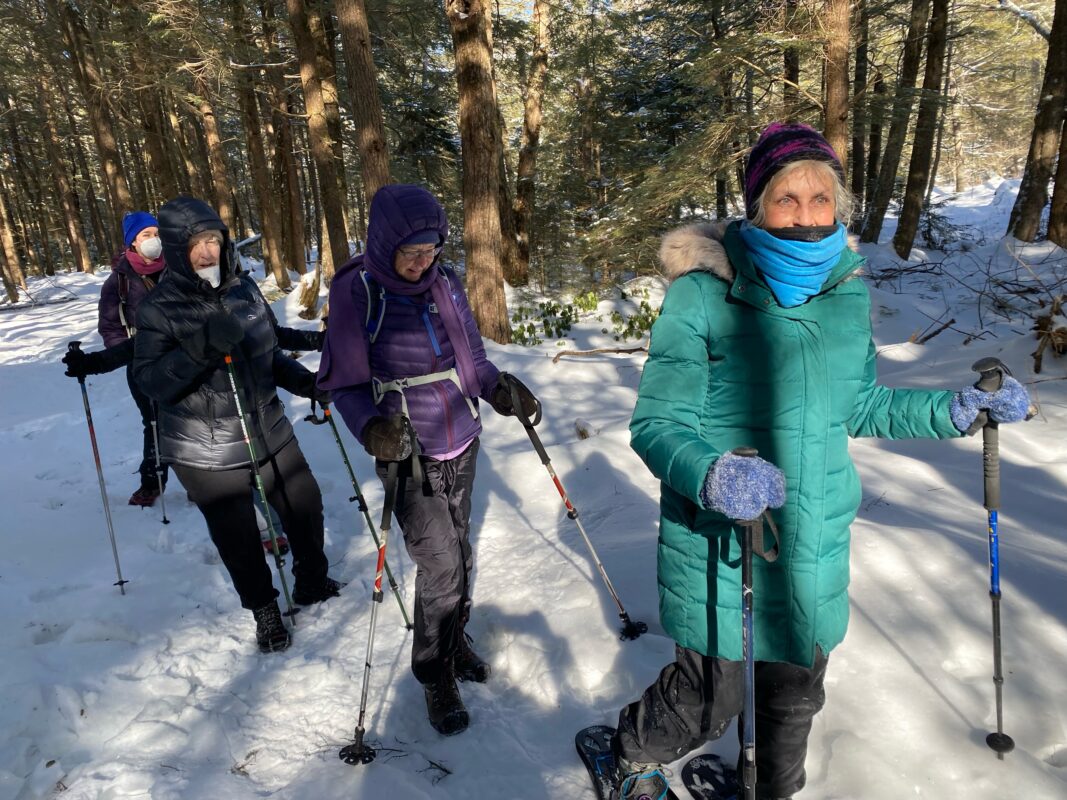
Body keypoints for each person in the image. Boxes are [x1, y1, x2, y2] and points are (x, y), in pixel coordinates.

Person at [601, 123, 1032, 800]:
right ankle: (628, 754)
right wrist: (710, 474)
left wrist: (951, 411)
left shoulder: (845, 294)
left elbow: (857, 404)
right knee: (709, 696)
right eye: (786, 198)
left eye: (819, 198)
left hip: (812, 548)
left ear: (838, 207)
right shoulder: (703, 295)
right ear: (756, 207)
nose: (805, 214)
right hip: (723, 549)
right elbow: (656, 424)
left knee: (792, 702)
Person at [317, 184, 539, 737]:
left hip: (461, 435)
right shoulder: (358, 290)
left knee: (457, 548)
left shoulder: (445, 281)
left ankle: (453, 636)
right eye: (411, 252)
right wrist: (371, 428)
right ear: (385, 243)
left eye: (432, 250)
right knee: (439, 560)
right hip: (405, 446)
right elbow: (342, 383)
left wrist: (499, 389)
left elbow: (474, 361)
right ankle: (433, 671)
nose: (423, 263)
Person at [132, 195, 341, 654]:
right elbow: (150, 382)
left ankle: (311, 580)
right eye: (195, 245)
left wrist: (308, 384)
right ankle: (265, 610)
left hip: (266, 425)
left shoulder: (244, 290)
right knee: (239, 537)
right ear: (174, 250)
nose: (208, 252)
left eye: (213, 240)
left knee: (305, 506)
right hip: (205, 450)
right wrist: (198, 348)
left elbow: (268, 351)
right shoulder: (159, 309)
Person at [62, 212, 169, 506]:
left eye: (156, 233)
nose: (153, 240)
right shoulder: (119, 281)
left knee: (191, 417)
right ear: (132, 242)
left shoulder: (176, 268)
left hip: (182, 355)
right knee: (154, 422)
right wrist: (125, 350)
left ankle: (205, 478)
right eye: (146, 235)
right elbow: (110, 326)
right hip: (141, 359)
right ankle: (153, 481)